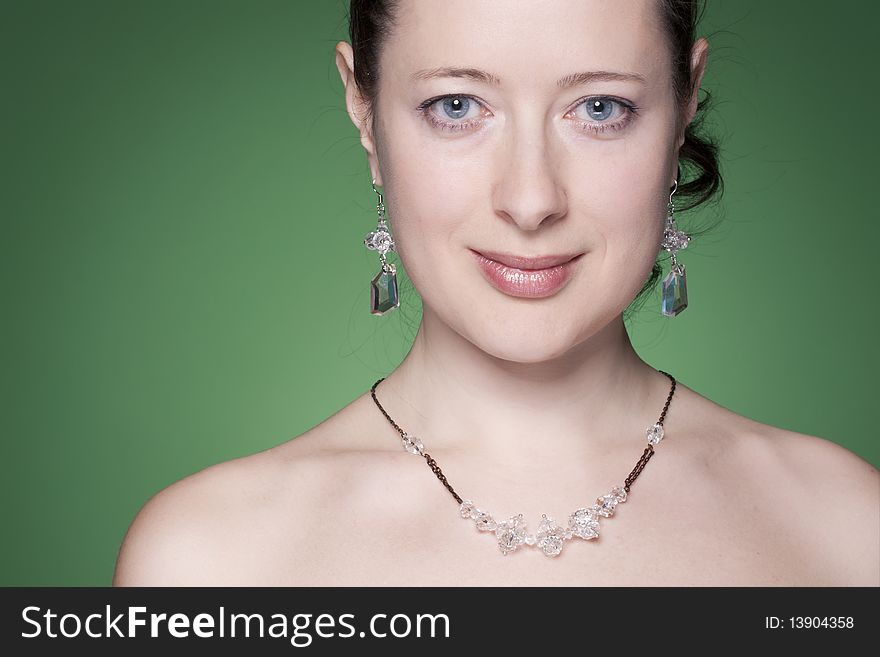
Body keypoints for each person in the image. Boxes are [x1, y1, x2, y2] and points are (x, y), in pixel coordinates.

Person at [113, 0, 879, 586]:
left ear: (683, 105)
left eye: (600, 108)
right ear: (364, 110)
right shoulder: (209, 560)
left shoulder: (846, 528)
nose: (530, 199)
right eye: (456, 107)